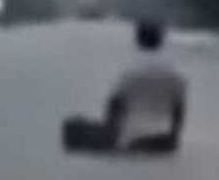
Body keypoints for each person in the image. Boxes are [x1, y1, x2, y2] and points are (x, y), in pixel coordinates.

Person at [62, 20, 188, 153]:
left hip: (132, 141)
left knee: (73, 125)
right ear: (161, 40)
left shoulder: (130, 72)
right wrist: (173, 138)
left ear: (138, 39)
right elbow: (179, 110)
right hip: (164, 141)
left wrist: (110, 135)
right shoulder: (176, 74)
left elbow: (115, 106)